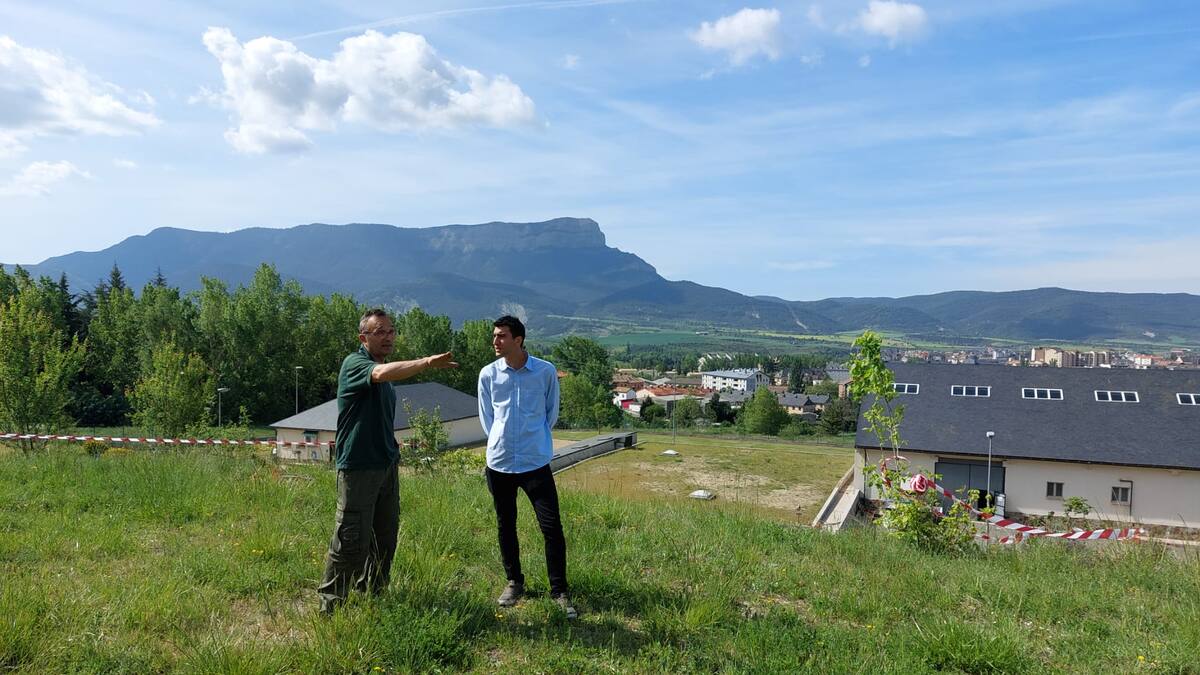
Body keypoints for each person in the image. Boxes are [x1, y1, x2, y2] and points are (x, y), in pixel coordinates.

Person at [317, 308, 457, 614]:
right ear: (363, 338)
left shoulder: (383, 371)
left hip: (386, 466)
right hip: (358, 467)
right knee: (351, 539)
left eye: (391, 331)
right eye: (379, 332)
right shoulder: (356, 364)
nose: (388, 337)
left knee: (384, 540)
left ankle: (373, 597)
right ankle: (331, 607)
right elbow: (381, 374)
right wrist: (427, 362)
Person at [477, 315, 576, 619]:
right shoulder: (488, 374)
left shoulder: (545, 372)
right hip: (500, 463)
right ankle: (514, 582)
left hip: (535, 462)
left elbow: (550, 413)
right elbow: (487, 418)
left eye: (501, 336)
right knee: (505, 524)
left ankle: (559, 591)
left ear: (518, 340)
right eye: (495, 335)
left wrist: (534, 440)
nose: (495, 341)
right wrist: (501, 441)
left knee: (551, 527)